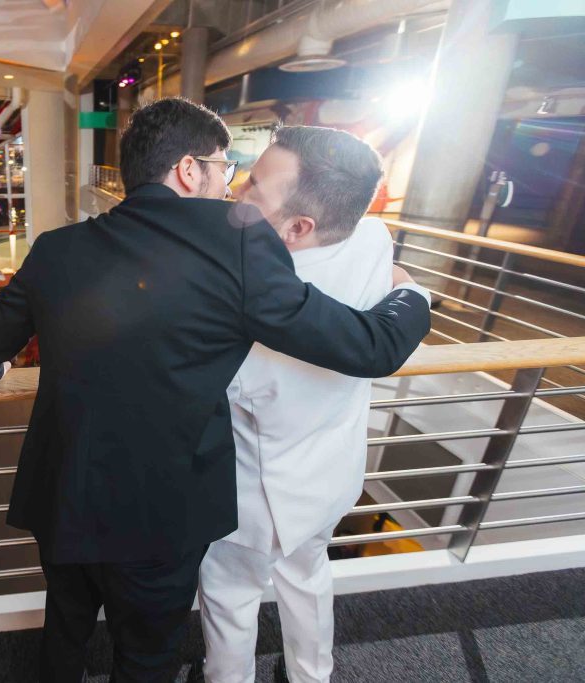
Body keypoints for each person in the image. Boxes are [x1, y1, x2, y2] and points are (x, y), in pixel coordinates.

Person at [0, 98, 430, 683]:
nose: (232, 188)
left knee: (65, 629)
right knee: (148, 653)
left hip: (64, 492)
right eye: (226, 168)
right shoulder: (237, 245)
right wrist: (412, 291)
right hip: (162, 511)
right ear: (189, 169)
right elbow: (371, 348)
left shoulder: (58, 247)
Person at [195, 126, 406, 683]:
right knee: (309, 578)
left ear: (297, 228)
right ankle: (312, 675)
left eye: (253, 188)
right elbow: (394, 283)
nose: (234, 193)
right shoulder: (373, 237)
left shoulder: (244, 302)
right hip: (332, 477)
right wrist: (413, 288)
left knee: (228, 596)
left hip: (251, 495)